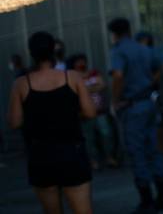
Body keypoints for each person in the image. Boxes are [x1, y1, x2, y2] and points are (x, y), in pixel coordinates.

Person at [6, 31, 96, 214]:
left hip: (41, 155)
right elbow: (90, 112)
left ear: (31, 53)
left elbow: (14, 122)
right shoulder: (72, 77)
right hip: (72, 151)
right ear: (53, 50)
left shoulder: (21, 84)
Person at [109, 18, 163, 213]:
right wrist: (147, 85)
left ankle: (147, 201)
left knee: (137, 152)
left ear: (114, 34)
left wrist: (115, 99)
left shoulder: (119, 51)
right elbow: (157, 69)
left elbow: (118, 76)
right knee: (153, 149)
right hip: (148, 103)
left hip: (132, 105)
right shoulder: (143, 49)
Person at [69, 53, 118, 170]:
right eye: (79, 61)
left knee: (106, 134)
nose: (82, 64)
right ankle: (93, 160)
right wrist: (92, 88)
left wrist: (85, 90)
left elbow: (102, 85)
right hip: (84, 113)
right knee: (88, 138)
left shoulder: (93, 73)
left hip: (100, 110)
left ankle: (110, 157)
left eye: (83, 61)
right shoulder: (73, 76)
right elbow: (76, 91)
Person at [135, 31, 163, 157]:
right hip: (143, 95)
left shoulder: (151, 54)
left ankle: (161, 149)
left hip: (152, 93)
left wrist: (148, 83)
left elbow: (157, 72)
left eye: (146, 41)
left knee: (161, 121)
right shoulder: (137, 56)